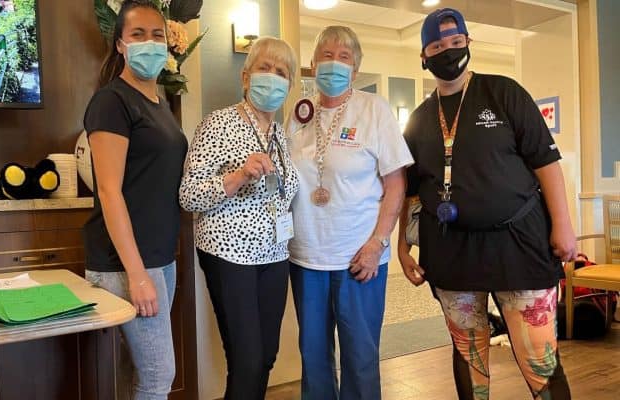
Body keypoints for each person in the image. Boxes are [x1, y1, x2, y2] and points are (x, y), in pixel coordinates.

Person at [397, 8, 576, 400]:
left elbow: (546, 164)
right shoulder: (418, 120)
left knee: (539, 358)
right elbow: (411, 190)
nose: (448, 52)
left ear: (468, 44)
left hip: (520, 245)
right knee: (468, 351)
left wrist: (563, 227)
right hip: (451, 250)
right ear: (424, 57)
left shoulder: (504, 92)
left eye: (456, 42)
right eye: (437, 46)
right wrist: (403, 245)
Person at [285, 26, 413, 400]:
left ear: (355, 69)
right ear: (313, 64)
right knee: (313, 357)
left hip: (360, 258)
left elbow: (396, 185)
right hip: (306, 256)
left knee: (360, 357)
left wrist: (378, 243)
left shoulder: (375, 110)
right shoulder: (299, 113)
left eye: (344, 57)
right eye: (326, 55)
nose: (334, 63)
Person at [179, 37, 298, 400]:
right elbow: (188, 195)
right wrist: (239, 175)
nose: (272, 77)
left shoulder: (279, 134)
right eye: (265, 68)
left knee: (266, 356)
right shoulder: (218, 123)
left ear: (290, 85)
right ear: (246, 77)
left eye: (281, 72)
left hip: (274, 254)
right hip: (230, 254)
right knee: (247, 360)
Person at [82, 1, 186, 399]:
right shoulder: (112, 101)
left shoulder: (159, 103)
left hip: (159, 257)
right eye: (138, 34)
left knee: (141, 374)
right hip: (127, 262)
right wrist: (137, 274)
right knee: (159, 376)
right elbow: (109, 191)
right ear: (120, 44)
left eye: (157, 35)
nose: (149, 42)